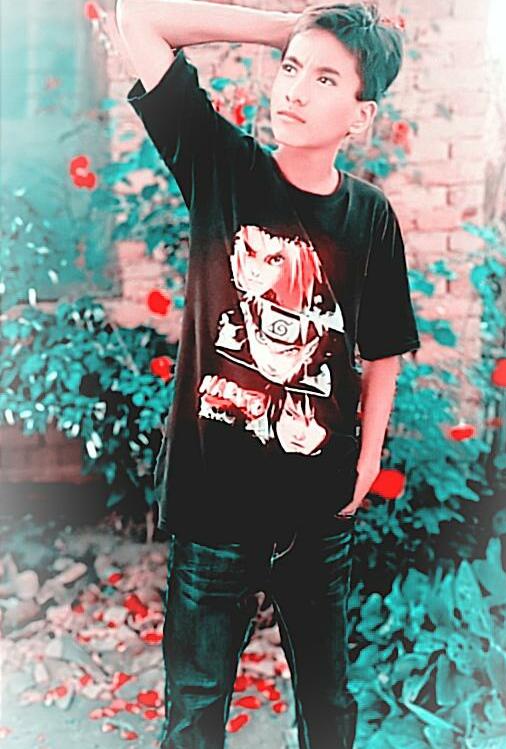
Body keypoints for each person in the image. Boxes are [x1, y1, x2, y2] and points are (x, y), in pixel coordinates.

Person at [116, 1, 421, 746]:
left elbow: (383, 348)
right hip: (212, 507)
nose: (295, 89)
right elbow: (139, 17)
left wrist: (367, 462)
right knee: (194, 710)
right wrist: (284, 27)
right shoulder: (221, 167)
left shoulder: (368, 217)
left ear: (360, 116)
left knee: (328, 704)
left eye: (325, 79)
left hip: (317, 512)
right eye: (290, 69)